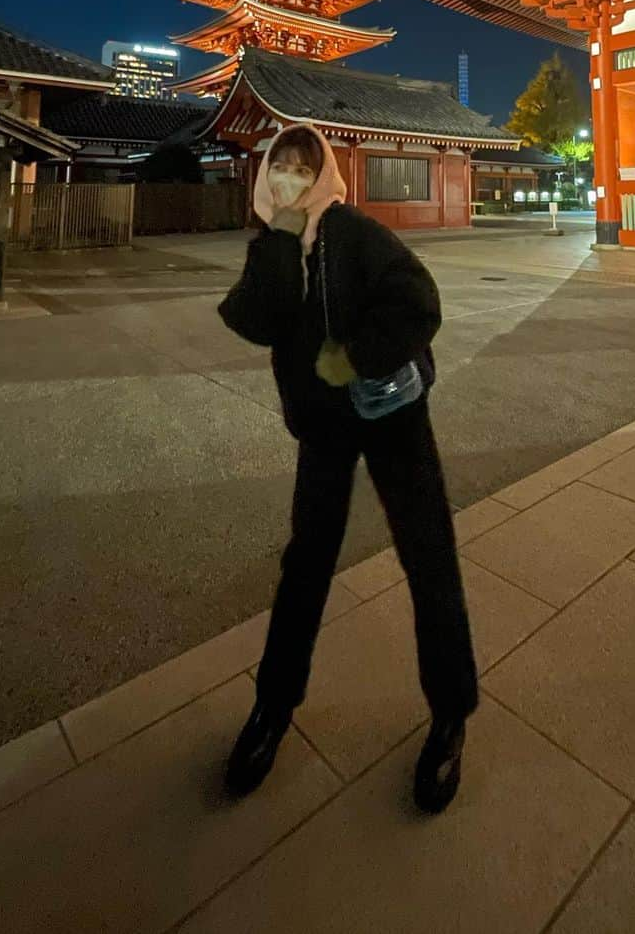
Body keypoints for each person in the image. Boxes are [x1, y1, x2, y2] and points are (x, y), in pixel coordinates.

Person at [217, 123, 478, 814]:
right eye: (281, 171)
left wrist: (356, 354)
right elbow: (259, 321)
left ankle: (451, 716)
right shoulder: (273, 244)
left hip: (393, 419)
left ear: (327, 172)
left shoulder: (356, 233)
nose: (292, 182)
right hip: (325, 431)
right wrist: (278, 240)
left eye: (304, 170)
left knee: (429, 559)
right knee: (305, 565)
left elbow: (420, 302)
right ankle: (272, 708)